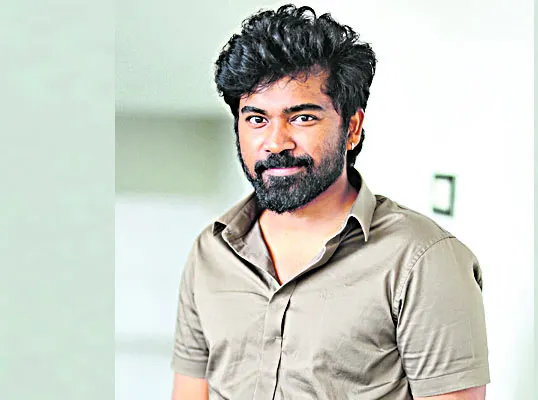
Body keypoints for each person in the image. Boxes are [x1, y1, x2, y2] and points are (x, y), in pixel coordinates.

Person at [171, 4, 489, 400]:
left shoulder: (423, 259)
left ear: (352, 127)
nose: (275, 143)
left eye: (302, 117)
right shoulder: (210, 252)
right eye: (256, 119)